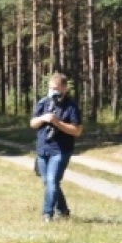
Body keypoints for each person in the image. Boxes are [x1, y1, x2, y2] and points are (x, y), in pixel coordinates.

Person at [30, 72, 82, 221]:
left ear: (65, 88)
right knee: (47, 182)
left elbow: (77, 130)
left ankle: (47, 213)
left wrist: (57, 123)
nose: (54, 91)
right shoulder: (43, 102)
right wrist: (42, 118)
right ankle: (64, 211)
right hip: (43, 148)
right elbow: (32, 123)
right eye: (51, 88)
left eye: (57, 88)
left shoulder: (71, 106)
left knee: (52, 182)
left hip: (61, 150)